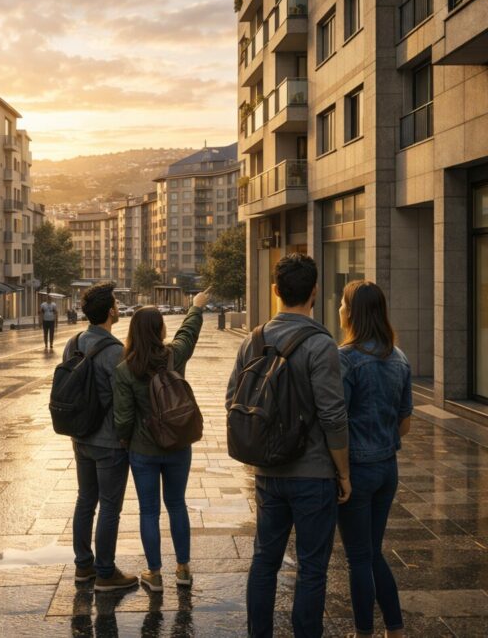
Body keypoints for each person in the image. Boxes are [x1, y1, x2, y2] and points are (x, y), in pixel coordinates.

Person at [226, 253, 350, 638]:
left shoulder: (254, 339)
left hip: (267, 473)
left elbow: (233, 398)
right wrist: (343, 472)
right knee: (312, 567)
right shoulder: (321, 344)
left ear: (276, 291)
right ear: (315, 292)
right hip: (313, 474)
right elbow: (333, 414)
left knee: (264, 561)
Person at [113, 288, 210, 592]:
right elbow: (188, 334)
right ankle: (183, 569)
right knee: (177, 505)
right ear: (159, 330)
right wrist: (195, 307)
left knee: (148, 511)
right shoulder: (173, 357)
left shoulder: (125, 369)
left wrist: (126, 443)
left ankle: (154, 574)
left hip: (143, 450)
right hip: (178, 444)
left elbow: (124, 419)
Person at [336, 280, 410, 638]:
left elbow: (337, 423)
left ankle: (364, 631)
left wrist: (343, 471)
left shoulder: (346, 358)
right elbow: (405, 422)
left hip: (358, 471)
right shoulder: (399, 357)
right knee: (373, 552)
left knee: (359, 558)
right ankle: (394, 628)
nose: (339, 309)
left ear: (352, 313)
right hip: (387, 469)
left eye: (342, 304)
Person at [63, 281, 137, 592]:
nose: (119, 309)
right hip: (109, 442)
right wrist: (125, 437)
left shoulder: (74, 342)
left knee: (85, 500)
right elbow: (124, 401)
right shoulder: (116, 351)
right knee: (109, 506)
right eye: (117, 305)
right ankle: (106, 572)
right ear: (110, 311)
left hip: (80, 437)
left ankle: (83, 567)